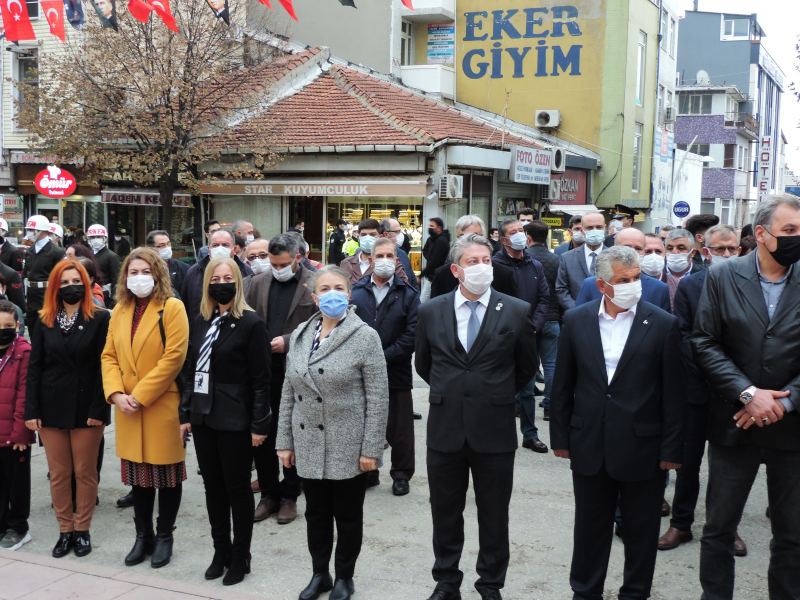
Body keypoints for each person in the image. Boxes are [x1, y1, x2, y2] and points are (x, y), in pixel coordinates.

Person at [550, 246, 685, 600]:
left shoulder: (662, 323)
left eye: (637, 278)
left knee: (641, 531)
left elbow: (674, 393)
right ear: (603, 285)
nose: (633, 286)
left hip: (644, 446)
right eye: (623, 281)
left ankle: (635, 593)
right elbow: (562, 384)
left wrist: (672, 449)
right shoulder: (577, 320)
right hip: (590, 443)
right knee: (590, 528)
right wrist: (561, 437)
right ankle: (586, 591)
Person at [416, 234, 537, 600]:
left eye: (486, 259)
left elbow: (526, 367)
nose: (482, 266)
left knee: (494, 514)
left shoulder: (515, 310)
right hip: (445, 429)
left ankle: (489, 584)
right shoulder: (431, 310)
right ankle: (446, 581)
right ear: (456, 270)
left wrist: (493, 393)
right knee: (446, 513)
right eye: (473, 261)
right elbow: (425, 365)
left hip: (494, 430)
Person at [693, 196, 800, 600]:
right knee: (718, 529)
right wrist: (748, 393)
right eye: (788, 231)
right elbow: (704, 342)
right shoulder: (724, 277)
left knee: (792, 535)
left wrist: (784, 402)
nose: (797, 238)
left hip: (792, 427)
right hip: (734, 423)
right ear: (760, 234)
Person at [276, 266, 389, 600]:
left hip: (348, 444)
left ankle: (345, 578)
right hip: (308, 441)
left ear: (349, 293)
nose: (332, 293)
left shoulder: (365, 336)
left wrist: (371, 449)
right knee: (316, 514)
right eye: (324, 289)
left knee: (349, 516)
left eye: (338, 287)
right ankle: (319, 574)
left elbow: (378, 398)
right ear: (314, 297)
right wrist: (284, 441)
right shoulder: (299, 334)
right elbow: (287, 391)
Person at [180, 257, 271, 586]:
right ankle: (220, 550)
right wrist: (185, 414)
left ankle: (240, 554)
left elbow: (262, 380)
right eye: (214, 278)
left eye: (226, 277)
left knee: (237, 490)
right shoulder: (200, 320)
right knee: (212, 488)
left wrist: (260, 424)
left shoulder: (251, 324)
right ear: (207, 284)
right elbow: (191, 371)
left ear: (237, 281)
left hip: (236, 420)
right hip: (204, 417)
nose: (221, 283)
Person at [658, 225, 747, 555]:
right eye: (720, 249)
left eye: (732, 249)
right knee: (688, 464)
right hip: (695, 390)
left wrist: (733, 384)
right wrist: (709, 374)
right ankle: (681, 525)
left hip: (735, 393)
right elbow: (684, 336)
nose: (726, 255)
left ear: (740, 250)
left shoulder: (749, 285)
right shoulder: (690, 286)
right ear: (705, 251)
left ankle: (727, 529)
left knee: (729, 469)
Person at [101, 247, 189, 569]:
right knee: (138, 479)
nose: (139, 278)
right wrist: (115, 394)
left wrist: (139, 395)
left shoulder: (172, 307)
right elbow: (108, 356)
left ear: (158, 274)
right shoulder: (119, 310)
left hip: (159, 404)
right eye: (133, 272)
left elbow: (174, 358)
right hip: (126, 407)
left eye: (145, 271)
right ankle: (143, 536)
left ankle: (164, 536)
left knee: (166, 476)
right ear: (125, 276)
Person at [24, 260, 110, 558]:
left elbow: (105, 366)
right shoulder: (43, 319)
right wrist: (31, 410)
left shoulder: (100, 318)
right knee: (59, 473)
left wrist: (100, 407)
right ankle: (65, 530)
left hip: (88, 405)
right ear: (55, 288)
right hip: (50, 406)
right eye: (63, 282)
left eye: (76, 281)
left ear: (85, 284)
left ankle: (83, 529)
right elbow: (35, 368)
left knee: (85, 472)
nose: (70, 286)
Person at [246, 234, 316, 525]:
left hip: (296, 372)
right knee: (261, 436)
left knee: (292, 435)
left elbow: (320, 323)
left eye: (283, 263)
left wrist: (289, 340)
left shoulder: (314, 282)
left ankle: (289, 496)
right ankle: (269, 494)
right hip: (262, 372)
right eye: (273, 264)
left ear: (298, 257)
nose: (277, 268)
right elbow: (247, 317)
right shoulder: (258, 282)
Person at [350, 238, 419, 495]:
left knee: (400, 428)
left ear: (397, 260)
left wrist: (382, 357)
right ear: (370, 259)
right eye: (380, 256)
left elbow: (412, 335)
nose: (385, 260)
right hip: (360, 372)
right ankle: (369, 471)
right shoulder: (355, 291)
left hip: (396, 369)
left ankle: (401, 474)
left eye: (390, 256)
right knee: (364, 422)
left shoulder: (409, 294)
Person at [493, 219, 550, 453]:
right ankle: (497, 434)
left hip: (528, 336)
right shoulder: (495, 266)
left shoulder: (534, 265)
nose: (520, 235)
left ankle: (530, 434)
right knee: (499, 389)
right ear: (504, 240)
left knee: (527, 390)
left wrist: (532, 327)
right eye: (514, 232)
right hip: (501, 336)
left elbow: (545, 299)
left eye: (522, 231)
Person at [574, 228, 671, 313]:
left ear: (644, 252)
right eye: (626, 248)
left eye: (638, 248)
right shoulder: (591, 285)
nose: (632, 253)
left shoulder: (659, 289)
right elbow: (580, 320)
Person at [0, 301, 32, 551]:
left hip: (15, 435)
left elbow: (25, 394)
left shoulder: (23, 351)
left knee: (17, 484)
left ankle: (18, 527)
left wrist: (21, 433)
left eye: (8, 326)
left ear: (17, 326)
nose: (3, 330)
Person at [430, 215, 519, 300]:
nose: (469, 241)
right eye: (463, 236)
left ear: (484, 238)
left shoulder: (503, 274)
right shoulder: (442, 275)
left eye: (475, 236)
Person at [525, 221, 562, 422]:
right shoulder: (557, 260)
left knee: (529, 363)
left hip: (529, 320)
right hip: (552, 318)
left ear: (528, 237)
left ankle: (525, 401)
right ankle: (549, 405)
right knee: (551, 364)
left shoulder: (524, 259)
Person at [182, 230, 252, 332]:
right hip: (201, 333)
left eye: (225, 245)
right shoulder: (194, 272)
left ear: (234, 249)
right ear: (209, 249)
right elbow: (186, 306)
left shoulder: (246, 271)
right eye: (215, 245)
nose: (220, 248)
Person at [555, 211, 608, 311]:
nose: (595, 231)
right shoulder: (567, 258)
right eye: (590, 227)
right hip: (577, 315)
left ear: (605, 228)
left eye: (599, 227)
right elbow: (561, 289)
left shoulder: (614, 257)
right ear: (582, 231)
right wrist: (577, 310)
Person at [23, 215, 65, 335]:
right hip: (31, 297)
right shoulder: (30, 251)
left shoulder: (57, 252)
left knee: (48, 331)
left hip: (48, 296)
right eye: (29, 230)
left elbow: (60, 277)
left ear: (41, 231)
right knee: (32, 328)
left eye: (31, 230)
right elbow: (26, 274)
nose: (29, 233)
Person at [340, 219, 409, 286]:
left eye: (372, 235)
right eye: (364, 235)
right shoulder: (346, 263)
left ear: (379, 237)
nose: (367, 238)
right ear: (358, 237)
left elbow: (405, 290)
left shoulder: (390, 262)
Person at [663, 228, 704, 311]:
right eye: (670, 248)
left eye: (681, 248)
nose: (674, 252)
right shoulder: (658, 275)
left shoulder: (703, 276)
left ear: (692, 253)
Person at [146, 230, 190, 301]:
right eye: (161, 245)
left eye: (168, 244)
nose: (167, 248)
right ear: (150, 248)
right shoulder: (144, 269)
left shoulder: (184, 268)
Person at [379, 217, 418, 291]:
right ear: (386, 234)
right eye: (397, 231)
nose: (401, 234)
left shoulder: (402, 254)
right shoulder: (374, 255)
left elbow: (413, 281)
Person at [86, 224, 121, 305]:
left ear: (104, 238)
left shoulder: (112, 256)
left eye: (98, 236)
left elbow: (116, 279)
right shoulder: (88, 254)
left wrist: (113, 298)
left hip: (105, 295)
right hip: (89, 293)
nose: (95, 239)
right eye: (92, 237)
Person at [420, 217, 450, 302]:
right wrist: (430, 256)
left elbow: (434, 262)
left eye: (432, 226)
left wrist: (420, 276)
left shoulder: (441, 241)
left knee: (423, 301)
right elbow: (426, 251)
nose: (430, 228)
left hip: (434, 277)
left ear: (439, 228)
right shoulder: (432, 239)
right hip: (433, 276)